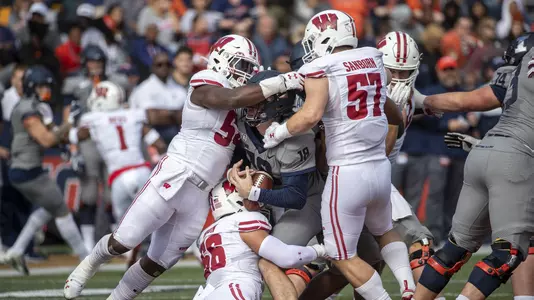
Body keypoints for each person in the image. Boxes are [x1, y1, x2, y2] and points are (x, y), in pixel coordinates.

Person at [63, 34, 304, 300]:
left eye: (249, 69)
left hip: (200, 195)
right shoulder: (206, 80)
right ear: (221, 60)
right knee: (123, 241)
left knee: (157, 262)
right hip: (177, 173)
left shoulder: (244, 104)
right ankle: (89, 264)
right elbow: (232, 98)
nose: (245, 73)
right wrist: (280, 80)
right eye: (242, 65)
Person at [262, 10, 413, 300]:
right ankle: (408, 289)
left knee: (339, 252)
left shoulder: (323, 67)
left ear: (325, 37)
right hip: (379, 168)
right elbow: (394, 113)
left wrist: (278, 132)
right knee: (384, 231)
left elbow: (310, 115)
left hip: (346, 172)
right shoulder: (375, 58)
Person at [414, 33, 534, 300]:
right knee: (509, 253)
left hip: (485, 150)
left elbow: (468, 100)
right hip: (515, 160)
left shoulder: (514, 70)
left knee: (456, 248)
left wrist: (423, 102)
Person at [0, 66, 88, 274]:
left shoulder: (40, 107)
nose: (46, 90)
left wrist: (70, 138)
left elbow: (55, 134)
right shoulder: (27, 109)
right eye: (42, 86)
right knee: (61, 210)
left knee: (48, 208)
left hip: (29, 168)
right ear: (32, 87)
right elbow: (47, 139)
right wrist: (68, 123)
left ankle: (16, 251)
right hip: (26, 170)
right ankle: (86, 258)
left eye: (48, 86)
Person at [193, 179, 326, 300]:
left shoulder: (209, 233)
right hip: (236, 287)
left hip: (208, 292)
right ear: (233, 199)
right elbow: (286, 256)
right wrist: (320, 250)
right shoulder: (243, 221)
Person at [62, 45, 128, 251]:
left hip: (108, 140)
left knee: (113, 192)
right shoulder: (76, 84)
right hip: (87, 140)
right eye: (92, 62)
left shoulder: (115, 82)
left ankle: (118, 238)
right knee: (89, 193)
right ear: (84, 63)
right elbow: (68, 114)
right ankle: (87, 242)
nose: (95, 66)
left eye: (99, 62)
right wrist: (71, 146)